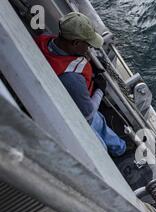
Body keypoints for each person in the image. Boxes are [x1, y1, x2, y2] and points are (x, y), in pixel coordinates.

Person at [35, 12, 126, 156]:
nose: (89, 48)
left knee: (101, 124)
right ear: (75, 43)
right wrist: (99, 90)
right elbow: (88, 116)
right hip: (77, 114)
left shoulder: (44, 41)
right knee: (99, 143)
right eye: (88, 44)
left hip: (57, 98)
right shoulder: (72, 78)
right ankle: (115, 156)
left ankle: (120, 149)